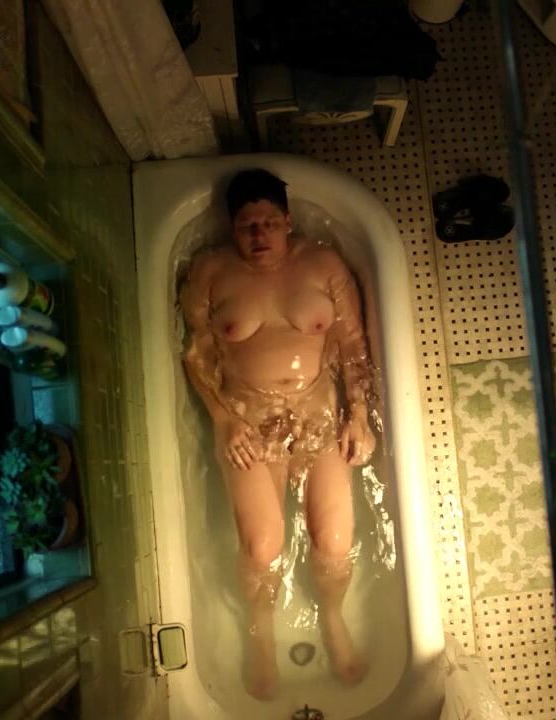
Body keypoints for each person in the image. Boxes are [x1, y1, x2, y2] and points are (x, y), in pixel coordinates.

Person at [179, 168, 378, 700]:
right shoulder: (211, 271)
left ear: (288, 221)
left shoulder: (324, 265)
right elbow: (196, 356)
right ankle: (261, 631)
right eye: (248, 225)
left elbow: (353, 346)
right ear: (232, 228)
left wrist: (358, 415)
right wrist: (224, 420)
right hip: (247, 420)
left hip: (317, 414)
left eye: (269, 222)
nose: (259, 235)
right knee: (263, 547)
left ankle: (332, 616)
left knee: (334, 543)